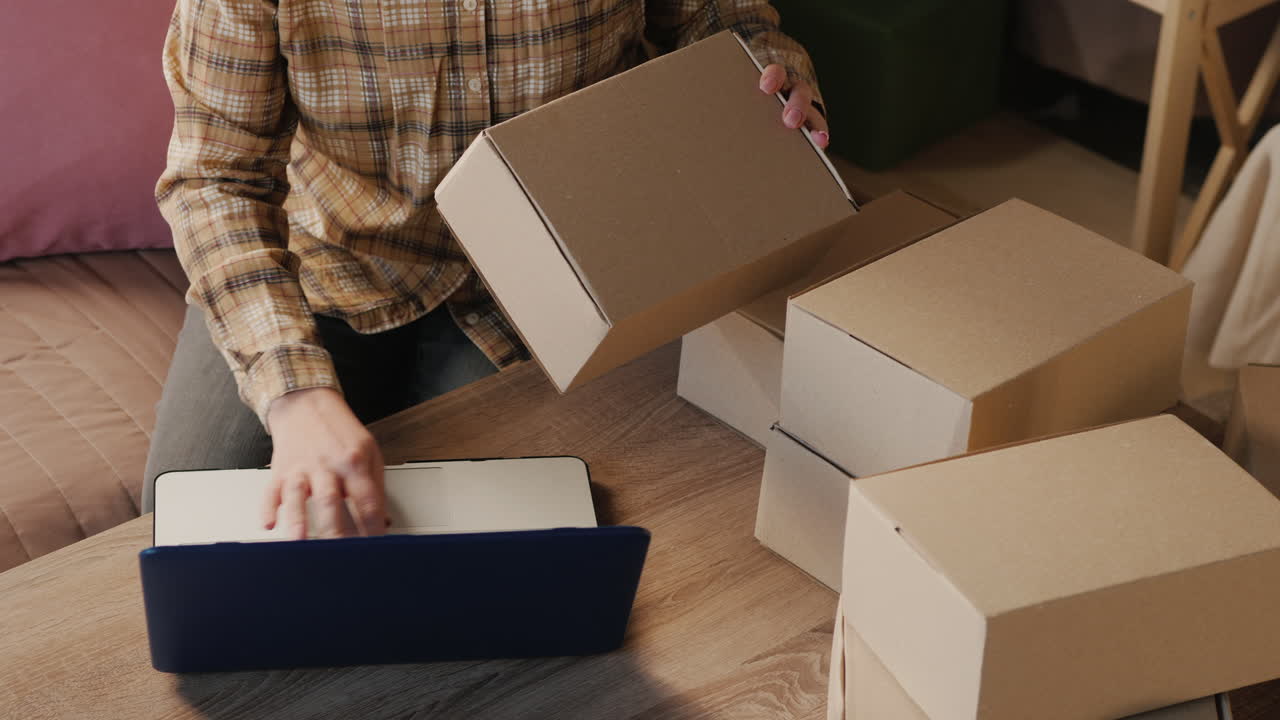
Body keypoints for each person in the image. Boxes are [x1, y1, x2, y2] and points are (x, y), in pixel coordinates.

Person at [145, 0, 830, 540]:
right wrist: (292, 391)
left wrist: (769, 72)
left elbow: (719, 17)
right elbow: (215, 178)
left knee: (511, 541)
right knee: (183, 515)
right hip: (324, 264)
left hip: (551, 272)